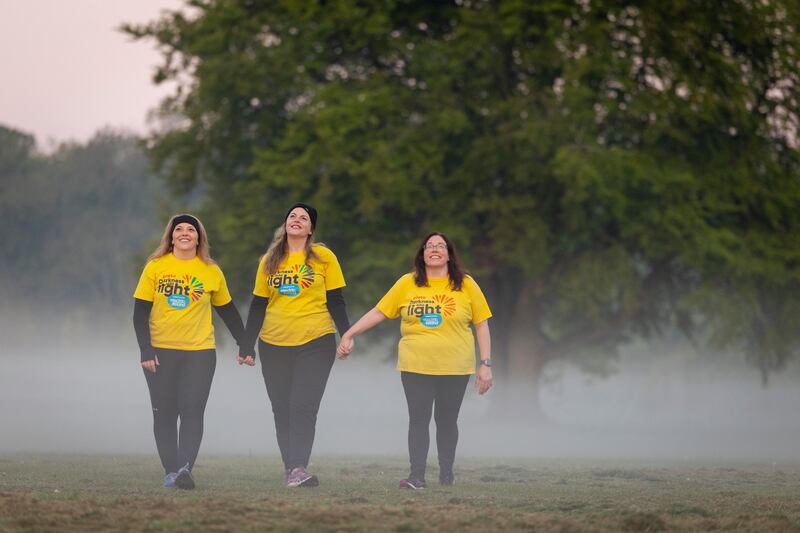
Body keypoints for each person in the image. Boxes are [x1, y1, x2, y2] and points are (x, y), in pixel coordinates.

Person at [337, 232, 493, 489]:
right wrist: (350, 333)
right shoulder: (407, 283)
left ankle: (446, 473)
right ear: (422, 254)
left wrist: (485, 364)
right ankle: (416, 476)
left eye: (440, 246)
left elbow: (482, 325)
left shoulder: (465, 284)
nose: (434, 249)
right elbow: (379, 311)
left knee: (446, 421)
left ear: (449, 254)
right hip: (415, 365)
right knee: (418, 419)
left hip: (455, 366)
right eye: (429, 246)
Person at [133, 214, 249, 490]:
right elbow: (139, 313)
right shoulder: (155, 268)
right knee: (164, 413)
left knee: (193, 411)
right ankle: (170, 471)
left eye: (190, 230)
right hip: (160, 353)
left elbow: (228, 312)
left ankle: (185, 469)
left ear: (199, 238)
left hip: (200, 352)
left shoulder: (211, 271)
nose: (184, 233)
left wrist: (245, 344)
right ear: (171, 237)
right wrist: (145, 350)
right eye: (179, 229)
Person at [239, 203, 350, 488]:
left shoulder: (324, 257)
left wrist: (347, 334)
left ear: (311, 229)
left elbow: (336, 300)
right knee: (282, 408)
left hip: (316, 341)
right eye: (292, 216)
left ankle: (299, 467)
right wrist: (246, 345)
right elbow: (258, 305)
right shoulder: (269, 260)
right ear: (285, 224)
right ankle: (292, 469)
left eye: (304, 218)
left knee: (303, 406)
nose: (297, 220)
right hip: (273, 343)